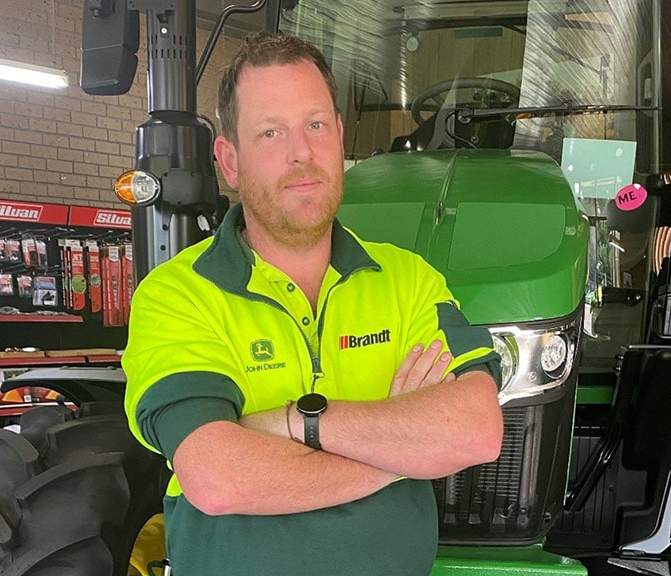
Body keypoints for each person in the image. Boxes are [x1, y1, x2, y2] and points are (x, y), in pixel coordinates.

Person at [122, 31, 504, 576]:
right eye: (271, 132)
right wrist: (400, 453)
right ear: (229, 162)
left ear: (340, 138)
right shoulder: (177, 295)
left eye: (316, 125)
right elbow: (217, 476)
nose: (301, 151)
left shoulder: (407, 279)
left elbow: (477, 431)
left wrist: (297, 423)